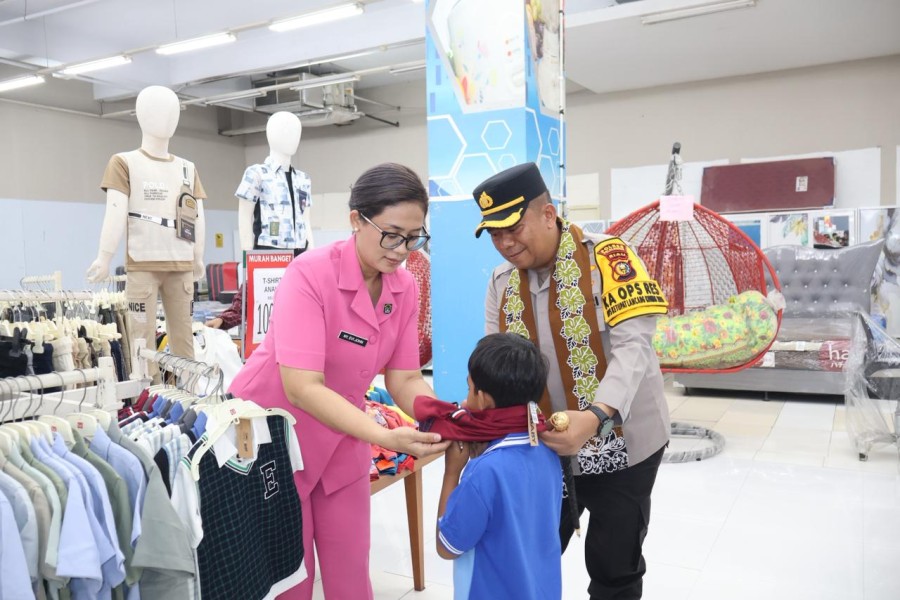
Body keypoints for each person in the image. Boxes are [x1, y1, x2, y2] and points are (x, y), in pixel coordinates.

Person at [227, 162, 450, 600]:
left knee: (350, 573)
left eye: (414, 237)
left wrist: (437, 416)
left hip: (342, 432)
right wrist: (385, 433)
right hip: (274, 438)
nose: (403, 249)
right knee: (293, 579)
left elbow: (404, 376)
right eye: (392, 234)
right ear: (356, 220)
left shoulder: (404, 287)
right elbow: (302, 387)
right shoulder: (310, 275)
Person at [472, 162, 670, 600]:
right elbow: (496, 364)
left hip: (626, 440)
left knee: (614, 560)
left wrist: (597, 416)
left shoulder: (609, 258)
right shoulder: (501, 283)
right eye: (494, 233)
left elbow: (633, 346)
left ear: (548, 215)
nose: (505, 243)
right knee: (533, 547)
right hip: (543, 446)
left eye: (513, 228)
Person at [87, 85, 206, 376]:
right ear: (140, 115)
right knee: (142, 343)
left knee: (184, 341)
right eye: (157, 110)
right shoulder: (124, 162)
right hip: (142, 264)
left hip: (181, 265)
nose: (167, 118)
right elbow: (115, 210)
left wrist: (198, 257)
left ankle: (189, 400)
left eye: (173, 111)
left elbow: (198, 215)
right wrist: (105, 256)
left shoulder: (187, 168)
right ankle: (149, 402)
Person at [434, 332, 563, 600]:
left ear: (483, 399)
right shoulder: (548, 450)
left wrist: (451, 473)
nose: (466, 400)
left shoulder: (483, 472)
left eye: (469, 389)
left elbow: (447, 547)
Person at [236, 111, 314, 253]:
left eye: (297, 132)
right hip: (270, 250)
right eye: (286, 131)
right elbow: (244, 217)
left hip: (301, 250)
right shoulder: (257, 173)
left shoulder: (303, 179)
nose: (293, 137)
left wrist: (312, 252)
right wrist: (247, 255)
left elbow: (305, 220)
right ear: (271, 134)